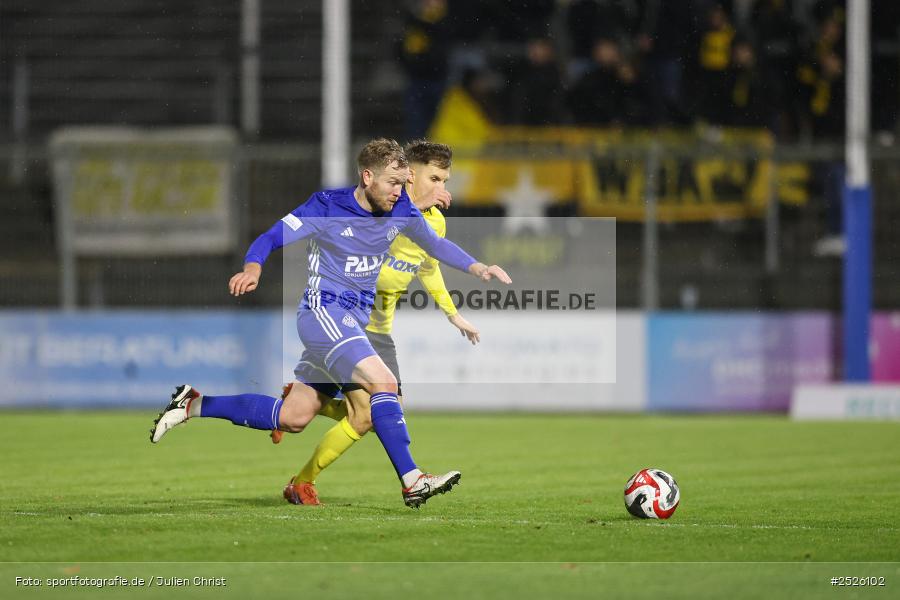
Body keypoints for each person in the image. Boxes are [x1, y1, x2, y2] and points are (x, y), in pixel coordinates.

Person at [150, 138, 511, 508]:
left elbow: (436, 246)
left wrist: (478, 267)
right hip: (325, 312)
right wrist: (252, 268)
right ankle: (412, 480)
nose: (398, 192)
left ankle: (193, 404)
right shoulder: (326, 207)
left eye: (403, 184)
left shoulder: (401, 208)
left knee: (293, 417)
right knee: (382, 385)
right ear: (367, 176)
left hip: (352, 322)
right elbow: (271, 237)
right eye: (392, 183)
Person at [276, 140, 480, 506]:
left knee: (370, 415)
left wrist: (452, 313)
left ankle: (306, 452)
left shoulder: (433, 222)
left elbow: (428, 268)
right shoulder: (382, 209)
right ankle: (398, 480)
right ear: (409, 175)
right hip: (343, 320)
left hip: (378, 328)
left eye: (446, 182)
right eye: (436, 179)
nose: (443, 190)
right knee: (374, 411)